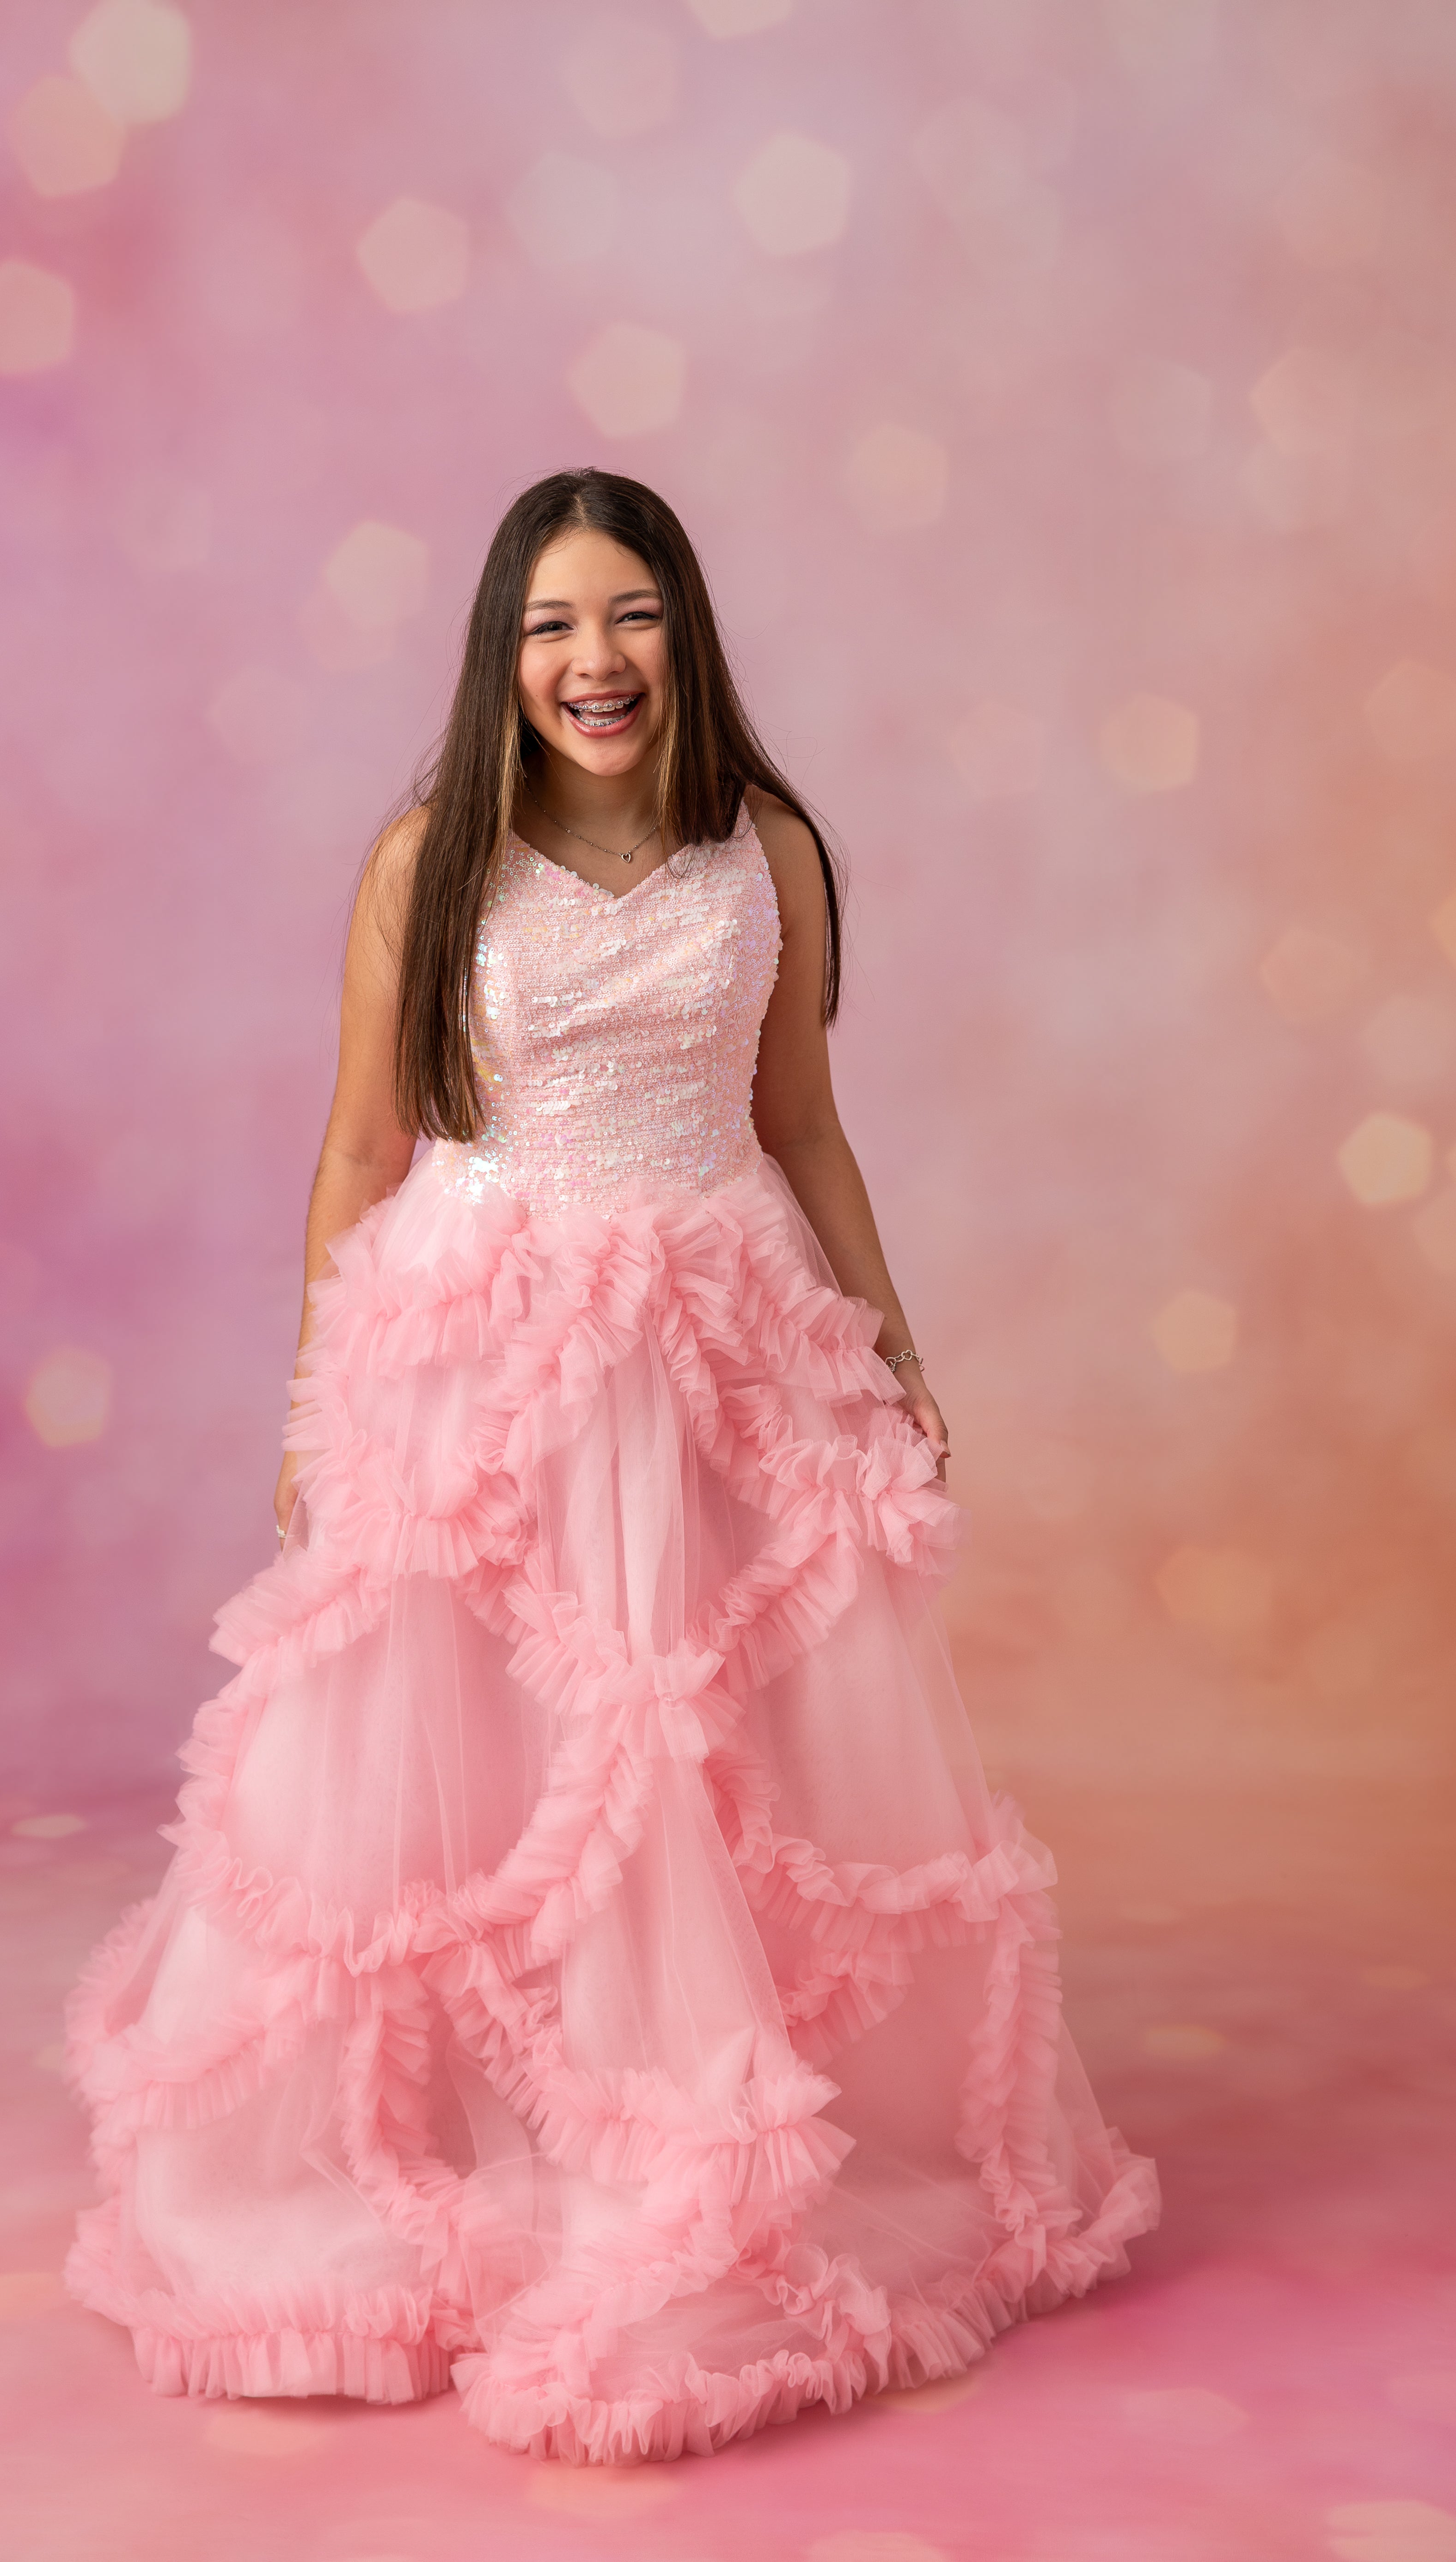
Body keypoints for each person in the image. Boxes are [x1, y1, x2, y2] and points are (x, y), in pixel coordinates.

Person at [65, 466, 1159, 2464]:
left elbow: (806, 1125)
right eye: (557, 624)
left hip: (720, 1340)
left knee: (726, 1754)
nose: (597, 660)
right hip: (485, 1351)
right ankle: (488, 2143)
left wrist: (887, 1345)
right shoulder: (431, 863)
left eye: (633, 617)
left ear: (686, 637)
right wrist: (320, 1401)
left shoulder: (769, 854)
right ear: (506, 654)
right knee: (474, 1764)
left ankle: (707, 2137)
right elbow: (360, 1151)